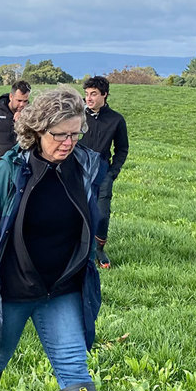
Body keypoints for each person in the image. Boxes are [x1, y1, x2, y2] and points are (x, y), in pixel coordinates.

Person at [0, 87, 136, 391]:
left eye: (75, 134)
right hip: (12, 288)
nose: (68, 143)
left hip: (60, 288)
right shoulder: (11, 169)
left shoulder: (85, 166)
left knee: (74, 364)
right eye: (59, 135)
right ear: (38, 130)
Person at [82, 76, 129, 269]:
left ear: (104, 95)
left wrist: (112, 173)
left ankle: (99, 250)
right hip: (78, 168)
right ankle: (80, 251)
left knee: (101, 214)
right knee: (79, 211)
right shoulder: (77, 116)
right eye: (86, 94)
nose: (89, 98)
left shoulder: (116, 120)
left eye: (93, 94)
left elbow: (122, 149)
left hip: (102, 170)